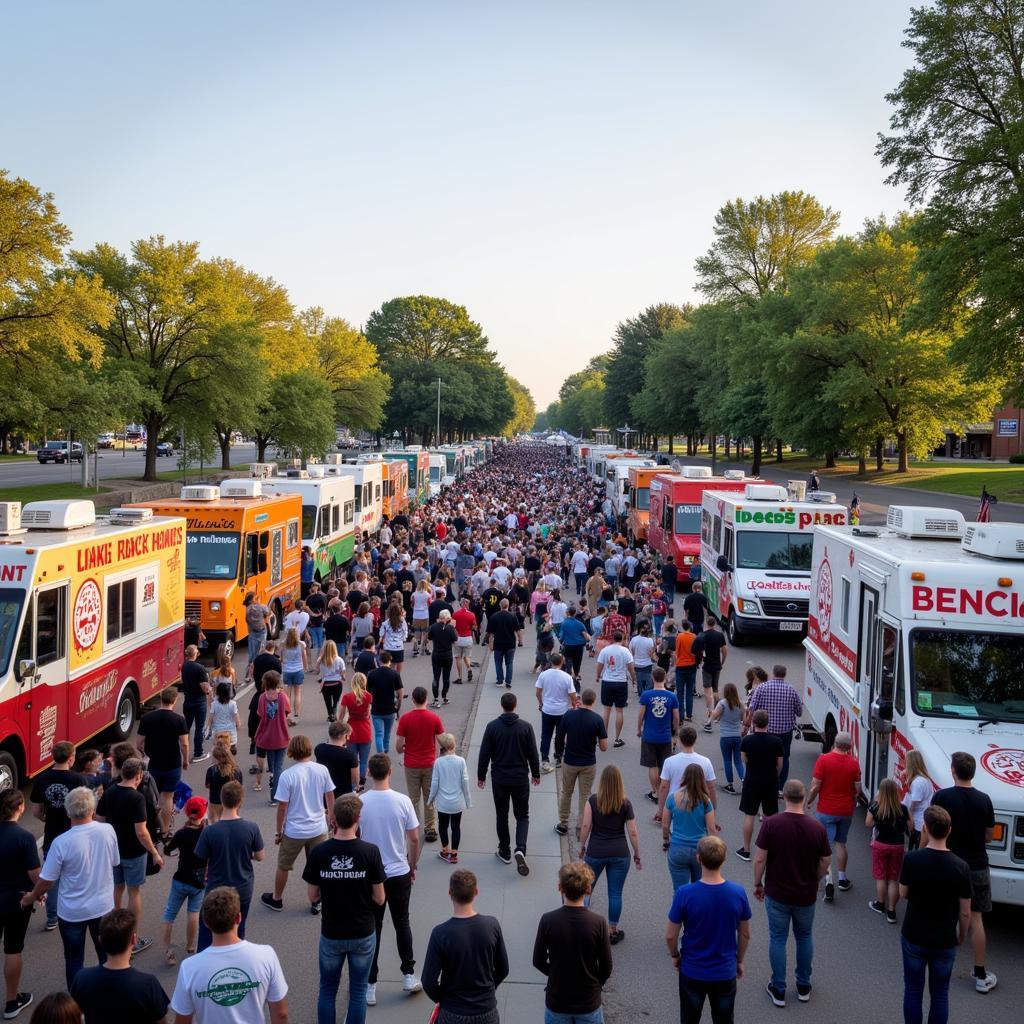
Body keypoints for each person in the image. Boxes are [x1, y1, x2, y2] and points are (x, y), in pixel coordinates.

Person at [21, 787, 118, 988]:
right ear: (93, 809)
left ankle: (77, 1003)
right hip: (103, 906)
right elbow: (114, 861)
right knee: (107, 956)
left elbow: (47, 881)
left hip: (72, 912)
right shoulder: (108, 830)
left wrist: (30, 897)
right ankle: (109, 996)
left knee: (74, 959)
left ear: (67, 812)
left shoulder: (61, 842)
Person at [303, 794, 386, 1024]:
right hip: (362, 931)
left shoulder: (320, 852)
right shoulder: (370, 852)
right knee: (358, 991)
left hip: (332, 932)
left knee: (328, 990)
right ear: (358, 818)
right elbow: (380, 898)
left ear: (333, 819)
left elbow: (312, 895)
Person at [752, 779, 832, 1007]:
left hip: (777, 892)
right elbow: (826, 859)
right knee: (804, 937)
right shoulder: (816, 827)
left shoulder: (771, 824)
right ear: (804, 797)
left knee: (778, 938)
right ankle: (804, 985)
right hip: (805, 894)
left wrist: (758, 883)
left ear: (784, 797)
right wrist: (815, 877)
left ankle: (778, 988)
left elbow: (759, 858)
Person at [170, 886, 289, 1024]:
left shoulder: (189, 968)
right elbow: (281, 1014)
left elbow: (182, 1020)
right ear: (238, 918)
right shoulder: (266, 955)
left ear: (206, 923)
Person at [898, 805, 972, 1024]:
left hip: (914, 934)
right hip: (944, 938)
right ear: (949, 830)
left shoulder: (912, 860)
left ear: (925, 829)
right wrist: (960, 935)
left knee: (913, 989)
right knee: (940, 994)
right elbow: (966, 911)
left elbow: (903, 893)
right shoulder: (961, 867)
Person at [931, 751, 997, 993]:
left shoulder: (942, 796)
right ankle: (980, 974)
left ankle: (938, 964)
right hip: (977, 864)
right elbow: (989, 835)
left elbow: (930, 829)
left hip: (947, 862)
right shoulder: (985, 800)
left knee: (943, 913)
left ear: (953, 771)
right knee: (977, 919)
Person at [665, 836, 751, 1024]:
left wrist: (675, 956)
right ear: (724, 859)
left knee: (689, 1018)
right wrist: (739, 960)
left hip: (692, 970)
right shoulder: (738, 893)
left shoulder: (684, 894)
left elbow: (671, 935)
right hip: (724, 971)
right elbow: (745, 933)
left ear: (698, 859)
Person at [359, 754, 422, 1005]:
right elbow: (414, 838)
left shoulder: (361, 802)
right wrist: (412, 864)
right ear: (390, 773)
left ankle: (370, 984)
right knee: (402, 922)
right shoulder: (403, 801)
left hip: (372, 875)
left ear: (369, 773)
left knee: (374, 927)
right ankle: (408, 973)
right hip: (398, 870)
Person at [422, 870, 509, 1024]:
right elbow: (503, 969)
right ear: (476, 892)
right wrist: (488, 990)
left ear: (450, 892)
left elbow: (428, 981)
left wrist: (444, 999)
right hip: (486, 1011)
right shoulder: (492, 925)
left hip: (453, 1012)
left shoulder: (440, 933)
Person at [95, 758, 163, 953]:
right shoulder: (137, 798)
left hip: (113, 852)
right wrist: (155, 853)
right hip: (134, 852)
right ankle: (133, 937)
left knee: (117, 888)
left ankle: (115, 931)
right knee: (134, 892)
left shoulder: (109, 792)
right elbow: (141, 832)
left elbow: (99, 820)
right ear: (139, 776)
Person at [260, 734, 334, 913]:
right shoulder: (322, 770)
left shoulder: (287, 775)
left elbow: (282, 808)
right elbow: (330, 795)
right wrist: (331, 817)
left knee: (284, 865)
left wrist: (279, 832)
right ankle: (317, 901)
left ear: (292, 751)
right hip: (318, 828)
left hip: (294, 830)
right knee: (318, 866)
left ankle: (277, 899)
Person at [533, 860, 612, 1024]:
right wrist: (596, 983)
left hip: (557, 1001)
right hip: (588, 1002)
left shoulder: (548, 920)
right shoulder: (598, 922)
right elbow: (606, 966)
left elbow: (538, 961)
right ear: (588, 889)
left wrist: (555, 974)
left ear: (560, 888)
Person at [194, 781, 264, 951]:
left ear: (221, 799)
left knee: (207, 927)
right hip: (243, 887)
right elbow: (260, 856)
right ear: (241, 801)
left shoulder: (210, 831)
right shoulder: (251, 828)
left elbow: (199, 859)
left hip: (216, 888)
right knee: (239, 925)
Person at [477, 692, 541, 875]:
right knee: (522, 815)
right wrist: (535, 774)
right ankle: (520, 848)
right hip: (520, 778)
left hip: (500, 779)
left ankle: (504, 850)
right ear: (515, 705)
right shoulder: (526, 728)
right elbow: (533, 754)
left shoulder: (492, 727)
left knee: (501, 815)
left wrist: (481, 776)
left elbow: (484, 754)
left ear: (501, 705)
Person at [70, 909, 169, 1024]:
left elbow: (75, 1015)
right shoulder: (148, 984)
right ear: (133, 939)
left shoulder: (81, 979)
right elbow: (161, 1021)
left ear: (100, 941)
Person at [29, 740, 87, 933]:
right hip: (75, 834)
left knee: (52, 878)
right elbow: (87, 809)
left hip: (52, 836)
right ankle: (76, 912)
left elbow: (37, 811)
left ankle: (52, 917)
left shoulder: (42, 780)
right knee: (77, 875)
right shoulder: (78, 780)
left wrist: (48, 818)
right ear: (71, 758)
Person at [579, 766, 640, 945]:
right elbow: (633, 831)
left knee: (586, 889)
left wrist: (582, 846)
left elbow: (585, 826)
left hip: (596, 852)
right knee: (615, 893)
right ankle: (613, 930)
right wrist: (637, 854)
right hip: (620, 853)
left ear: (602, 781)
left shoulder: (593, 800)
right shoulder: (626, 803)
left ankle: (580, 926)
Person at [806, 731, 861, 902]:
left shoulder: (823, 760)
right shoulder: (854, 764)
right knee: (841, 843)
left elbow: (815, 786)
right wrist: (853, 800)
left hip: (826, 810)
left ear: (834, 743)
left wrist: (809, 801)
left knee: (825, 847)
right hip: (845, 811)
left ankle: (829, 880)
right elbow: (857, 789)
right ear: (849, 747)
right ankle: (843, 879)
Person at [0, 791, 39, 1019]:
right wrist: (38, 894)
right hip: (16, 900)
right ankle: (11, 1002)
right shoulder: (24, 838)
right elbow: (35, 874)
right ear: (20, 808)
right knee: (13, 948)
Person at [161, 796, 208, 965]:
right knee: (194, 913)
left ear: (187, 812)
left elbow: (168, 849)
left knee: (169, 914)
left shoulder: (181, 833)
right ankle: (190, 945)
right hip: (199, 881)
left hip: (180, 879)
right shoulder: (207, 833)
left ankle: (168, 950)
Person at [136, 688, 189, 836]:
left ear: (161, 698)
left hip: (154, 764)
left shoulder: (147, 718)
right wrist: (185, 760)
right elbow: (184, 744)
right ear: (175, 700)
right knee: (168, 797)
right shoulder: (179, 720)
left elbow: (139, 743)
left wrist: (145, 754)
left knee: (153, 797)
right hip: (173, 764)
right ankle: (165, 829)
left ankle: (152, 825)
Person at [557, 689, 609, 838]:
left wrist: (560, 753)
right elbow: (604, 747)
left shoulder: (569, 715)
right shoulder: (597, 720)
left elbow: (560, 737)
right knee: (584, 795)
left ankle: (563, 822)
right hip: (588, 763)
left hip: (570, 761)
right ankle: (581, 827)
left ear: (580, 700)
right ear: (593, 701)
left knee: (566, 792)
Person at [395, 687, 444, 843]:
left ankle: (414, 825)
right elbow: (442, 739)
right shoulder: (434, 718)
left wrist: (403, 748)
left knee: (414, 798)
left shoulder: (405, 719)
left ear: (413, 700)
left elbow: (398, 746)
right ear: (426, 699)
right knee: (429, 797)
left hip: (411, 764)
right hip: (430, 763)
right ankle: (430, 828)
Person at [735, 710, 784, 861]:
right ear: (768, 723)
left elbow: (744, 759)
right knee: (770, 816)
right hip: (770, 781)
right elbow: (780, 764)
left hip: (752, 780)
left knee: (750, 815)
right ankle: (768, 848)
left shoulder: (747, 741)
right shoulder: (776, 742)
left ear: (754, 723)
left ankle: (746, 849)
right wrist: (774, 774)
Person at [745, 664, 802, 787]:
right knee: (784, 756)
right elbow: (799, 712)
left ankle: (765, 782)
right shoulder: (791, 690)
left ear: (773, 673)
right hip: (785, 731)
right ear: (785, 674)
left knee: (764, 756)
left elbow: (751, 708)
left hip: (765, 729)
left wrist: (749, 723)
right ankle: (780, 786)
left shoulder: (762, 688)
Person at [663, 763, 718, 890]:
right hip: (700, 850)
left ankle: (680, 909)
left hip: (677, 849)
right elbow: (711, 829)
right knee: (699, 889)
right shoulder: (705, 801)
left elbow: (665, 824)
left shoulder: (672, 798)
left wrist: (666, 840)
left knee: (679, 890)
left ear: (684, 777)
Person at [865, 777, 910, 924]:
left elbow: (868, 823)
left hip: (881, 844)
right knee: (893, 878)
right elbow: (911, 824)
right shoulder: (902, 808)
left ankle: (880, 903)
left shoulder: (876, 807)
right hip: (897, 845)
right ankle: (891, 911)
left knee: (880, 876)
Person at [657, 724, 717, 825]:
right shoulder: (706, 762)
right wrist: (713, 810)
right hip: (699, 806)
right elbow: (711, 787)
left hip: (676, 805)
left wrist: (661, 810)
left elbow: (663, 787)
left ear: (679, 740)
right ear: (695, 740)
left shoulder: (669, 761)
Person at [637, 667, 680, 803]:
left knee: (652, 765)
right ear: (665, 678)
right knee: (664, 765)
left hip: (649, 735)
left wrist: (639, 728)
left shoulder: (646, 695)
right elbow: (676, 718)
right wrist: (676, 732)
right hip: (665, 736)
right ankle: (663, 791)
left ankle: (655, 792)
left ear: (652, 677)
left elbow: (641, 714)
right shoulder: (672, 696)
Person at [429, 734, 472, 864]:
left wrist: (430, 799)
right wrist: (468, 800)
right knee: (456, 827)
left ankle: (445, 850)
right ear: (454, 745)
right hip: (457, 802)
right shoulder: (461, 761)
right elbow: (465, 782)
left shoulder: (438, 762)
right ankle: (454, 854)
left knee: (442, 826)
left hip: (443, 802)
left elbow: (435, 783)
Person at [535, 654, 578, 772]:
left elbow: (538, 692)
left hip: (547, 710)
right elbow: (572, 695)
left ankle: (544, 759)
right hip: (562, 711)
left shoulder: (544, 675)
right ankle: (558, 757)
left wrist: (541, 703)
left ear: (551, 662)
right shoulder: (567, 677)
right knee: (560, 735)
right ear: (562, 662)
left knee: (546, 735)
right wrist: (574, 705)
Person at [253, 671, 291, 801]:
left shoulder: (262, 698)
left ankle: (273, 791)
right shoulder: (282, 697)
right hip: (281, 735)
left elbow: (260, 714)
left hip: (266, 737)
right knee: (278, 768)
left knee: (273, 767)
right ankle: (275, 796)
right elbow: (287, 712)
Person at [596, 630, 635, 748]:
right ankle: (617, 739)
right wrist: (633, 679)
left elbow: (600, 664)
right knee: (619, 711)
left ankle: (603, 737)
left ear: (612, 639)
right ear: (622, 639)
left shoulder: (605, 650)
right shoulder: (625, 651)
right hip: (621, 682)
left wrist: (598, 676)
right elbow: (631, 667)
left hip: (607, 681)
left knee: (606, 710)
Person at [691, 618, 727, 733]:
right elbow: (724, 650)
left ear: (706, 624)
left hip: (707, 666)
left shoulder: (703, 636)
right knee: (715, 689)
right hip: (717, 666)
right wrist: (722, 661)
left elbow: (696, 651)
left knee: (708, 692)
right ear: (714, 624)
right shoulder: (719, 635)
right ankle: (717, 711)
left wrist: (700, 660)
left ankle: (710, 714)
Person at [366, 652, 403, 754]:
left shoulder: (371, 674)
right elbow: (400, 693)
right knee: (387, 733)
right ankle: (385, 750)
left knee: (378, 733)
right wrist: (398, 707)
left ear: (379, 660)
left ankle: (380, 754)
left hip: (376, 709)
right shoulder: (394, 674)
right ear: (390, 661)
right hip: (390, 709)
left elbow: (367, 692)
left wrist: (368, 706)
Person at [341, 672, 373, 786]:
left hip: (351, 730)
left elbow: (342, 714)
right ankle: (362, 780)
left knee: (353, 760)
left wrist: (340, 723)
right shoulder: (368, 696)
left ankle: (354, 783)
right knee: (363, 760)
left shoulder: (347, 697)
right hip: (365, 729)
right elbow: (368, 714)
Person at [180, 645, 212, 762]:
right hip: (199, 702)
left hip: (188, 700)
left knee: (186, 727)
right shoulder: (200, 668)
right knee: (199, 727)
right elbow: (205, 688)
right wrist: (209, 689)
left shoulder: (184, 666)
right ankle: (198, 753)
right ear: (196, 653)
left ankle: (182, 751)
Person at [711, 684, 744, 794]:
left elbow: (714, 715)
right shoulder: (740, 704)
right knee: (738, 761)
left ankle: (730, 785)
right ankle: (744, 781)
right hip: (737, 736)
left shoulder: (722, 703)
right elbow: (743, 719)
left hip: (725, 736)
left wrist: (713, 714)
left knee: (727, 761)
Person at [316, 721, 360, 798]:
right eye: (348, 735)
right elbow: (354, 779)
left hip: (324, 792)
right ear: (342, 736)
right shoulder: (350, 754)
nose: (348, 738)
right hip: (343, 793)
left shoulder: (319, 748)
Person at [901, 749, 935, 850]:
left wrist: (909, 823)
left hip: (918, 824)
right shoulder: (924, 779)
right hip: (922, 821)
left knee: (915, 851)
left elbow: (911, 808)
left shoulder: (918, 782)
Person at [205, 743, 243, 824]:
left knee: (214, 819)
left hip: (215, 800)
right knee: (232, 820)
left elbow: (208, 785)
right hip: (233, 800)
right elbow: (240, 786)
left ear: (217, 758)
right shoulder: (236, 770)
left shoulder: (211, 770)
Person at [486, 598, 520, 688]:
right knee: (509, 663)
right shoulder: (513, 616)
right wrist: (520, 641)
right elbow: (517, 630)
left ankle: (500, 681)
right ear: (508, 606)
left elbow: (491, 633)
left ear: (500, 605)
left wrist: (490, 643)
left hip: (498, 644)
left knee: (498, 663)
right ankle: (508, 681)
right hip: (510, 643)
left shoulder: (494, 616)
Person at [428, 609, 458, 705]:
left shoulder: (433, 627)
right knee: (446, 677)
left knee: (436, 677)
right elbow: (455, 639)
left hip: (436, 654)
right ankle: (444, 696)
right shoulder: (451, 628)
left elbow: (430, 637)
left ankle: (435, 698)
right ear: (447, 617)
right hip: (447, 655)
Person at [280, 627, 308, 726]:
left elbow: (282, 658)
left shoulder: (283, 644)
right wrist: (306, 667)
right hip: (298, 670)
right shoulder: (301, 644)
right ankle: (296, 715)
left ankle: (287, 714)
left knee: (288, 694)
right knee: (297, 693)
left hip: (287, 670)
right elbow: (304, 657)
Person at [673, 623, 699, 722]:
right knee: (689, 692)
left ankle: (681, 716)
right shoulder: (694, 637)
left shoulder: (679, 637)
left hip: (681, 666)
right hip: (692, 666)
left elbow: (677, 652)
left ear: (683, 628)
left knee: (680, 693)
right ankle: (689, 714)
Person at [205, 682, 240, 753]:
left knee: (219, 751)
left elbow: (211, 718)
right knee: (231, 750)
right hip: (230, 733)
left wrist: (208, 728)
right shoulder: (233, 704)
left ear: (218, 693)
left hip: (218, 732)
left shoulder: (214, 704)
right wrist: (238, 725)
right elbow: (237, 719)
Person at [243, 592, 270, 681]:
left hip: (252, 633)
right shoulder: (262, 606)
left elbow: (247, 620)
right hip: (262, 632)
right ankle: (261, 674)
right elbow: (267, 613)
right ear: (254, 599)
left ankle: (248, 675)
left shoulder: (247, 609)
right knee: (262, 652)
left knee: (252, 655)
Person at [317, 639, 346, 722]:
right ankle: (334, 712)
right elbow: (343, 673)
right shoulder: (339, 660)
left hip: (326, 684)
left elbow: (316, 670)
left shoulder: (321, 659)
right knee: (336, 701)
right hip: (337, 683)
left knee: (327, 701)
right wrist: (343, 677)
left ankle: (330, 714)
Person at [453, 597, 477, 682]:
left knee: (458, 657)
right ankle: (469, 668)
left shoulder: (455, 614)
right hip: (468, 637)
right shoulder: (471, 614)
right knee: (467, 656)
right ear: (468, 605)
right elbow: (475, 627)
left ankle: (460, 677)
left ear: (461, 604)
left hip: (458, 638)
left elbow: (453, 626)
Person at [629, 622, 656, 695]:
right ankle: (645, 695)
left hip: (637, 664)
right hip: (647, 664)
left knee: (639, 682)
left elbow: (631, 652)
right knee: (648, 682)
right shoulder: (650, 641)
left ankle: (641, 694)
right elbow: (652, 654)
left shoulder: (633, 639)